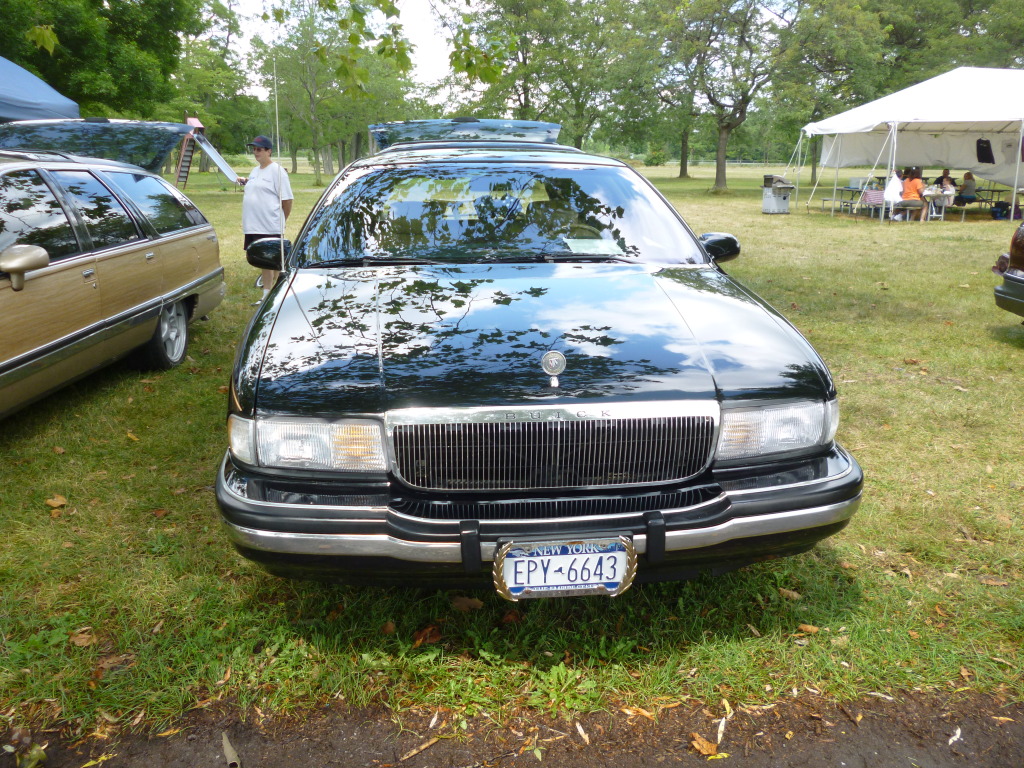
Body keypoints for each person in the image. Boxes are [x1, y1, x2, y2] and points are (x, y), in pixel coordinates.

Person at [240, 135, 293, 303]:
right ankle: (271, 294)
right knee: (264, 260)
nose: (256, 153)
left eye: (260, 149)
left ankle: (268, 295)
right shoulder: (255, 171)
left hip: (269, 224)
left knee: (269, 260)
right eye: (254, 149)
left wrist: (281, 219)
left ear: (269, 151)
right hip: (253, 224)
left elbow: (287, 200)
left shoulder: (277, 172)